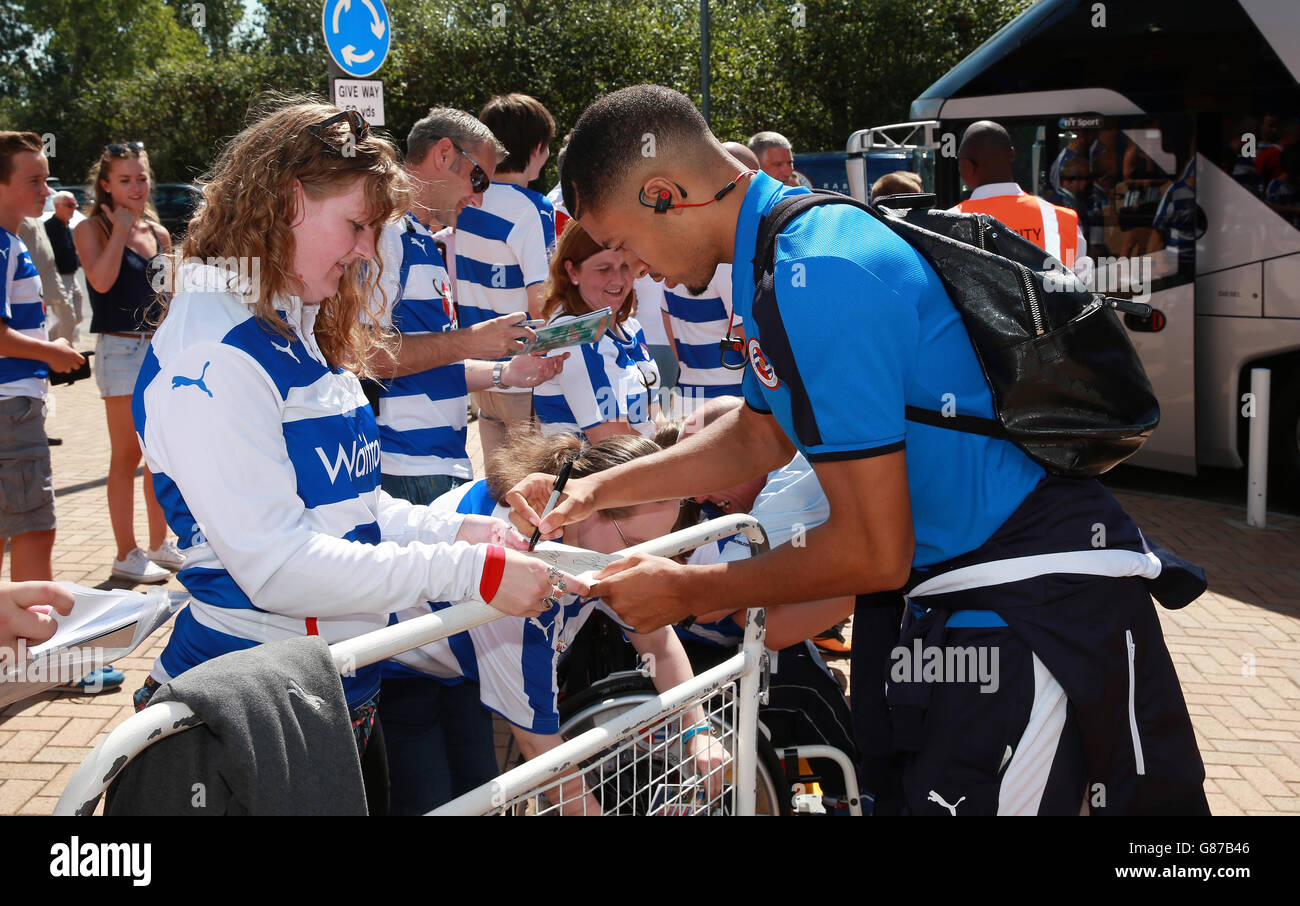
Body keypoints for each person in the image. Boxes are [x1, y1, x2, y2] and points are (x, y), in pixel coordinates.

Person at [507, 84, 1208, 816]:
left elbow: (876, 553)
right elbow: (758, 435)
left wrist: (685, 593)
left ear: (663, 193)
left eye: (621, 242)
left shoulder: (819, 272)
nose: (633, 269)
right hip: (969, 594)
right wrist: (595, 491)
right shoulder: (781, 250)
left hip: (1025, 605)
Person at [129, 100, 590, 809]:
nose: (368, 251)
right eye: (356, 225)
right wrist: (471, 568)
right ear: (287, 204)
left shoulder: (291, 321)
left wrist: (454, 529)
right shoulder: (213, 352)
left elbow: (348, 507)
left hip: (326, 691)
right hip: (248, 712)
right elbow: (278, 565)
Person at [366, 106, 569, 815]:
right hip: (399, 473)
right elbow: (367, 354)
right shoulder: (389, 235)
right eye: (479, 174)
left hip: (435, 466)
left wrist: (508, 375)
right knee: (419, 678)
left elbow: (426, 364)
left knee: (453, 675)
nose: (482, 194)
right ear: (444, 157)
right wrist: (474, 345)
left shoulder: (420, 237)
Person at [387, 428, 723, 815]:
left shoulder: (583, 531)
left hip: (456, 658)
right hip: (399, 660)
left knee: (476, 790)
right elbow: (541, 752)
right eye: (633, 545)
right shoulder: (524, 588)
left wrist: (698, 729)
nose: (641, 563)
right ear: (590, 508)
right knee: (430, 799)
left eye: (660, 546)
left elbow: (657, 642)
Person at [72, 142, 176, 584]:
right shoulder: (90, 228)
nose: (136, 187)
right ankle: (124, 554)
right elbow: (101, 279)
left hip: (157, 348)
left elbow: (168, 298)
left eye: (141, 178)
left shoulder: (159, 233)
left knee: (159, 452)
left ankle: (159, 543)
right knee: (126, 455)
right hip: (118, 350)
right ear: (106, 186)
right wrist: (120, 230)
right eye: (125, 180)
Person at [0, 131, 85, 585]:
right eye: (33, 180)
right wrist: (52, 352)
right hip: (11, 406)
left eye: (46, 179)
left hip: (12, 404)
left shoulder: (10, 241)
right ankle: (28, 652)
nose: (46, 192)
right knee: (34, 528)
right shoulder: (1, 243)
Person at [456, 94, 557, 464]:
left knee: (497, 481)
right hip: (522, 367)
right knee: (531, 483)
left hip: (478, 367)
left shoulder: (464, 201)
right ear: (538, 148)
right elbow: (540, 299)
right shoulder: (533, 208)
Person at [532, 222, 662, 441]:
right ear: (572, 271)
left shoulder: (630, 327)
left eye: (625, 266)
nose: (619, 280)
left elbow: (654, 416)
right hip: (596, 471)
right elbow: (611, 442)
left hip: (638, 464)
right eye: (604, 269)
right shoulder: (575, 336)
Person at [953, 120, 1094, 288]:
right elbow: (1084, 289)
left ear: (965, 166)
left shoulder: (948, 222)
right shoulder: (1062, 219)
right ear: (1012, 154)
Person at [44, 191, 87, 339]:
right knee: (68, 318)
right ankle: (62, 348)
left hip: (71, 276)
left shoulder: (66, 225)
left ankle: (50, 340)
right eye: (69, 205)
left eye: (75, 205)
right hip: (58, 277)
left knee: (78, 317)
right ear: (57, 206)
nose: (73, 209)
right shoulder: (49, 227)